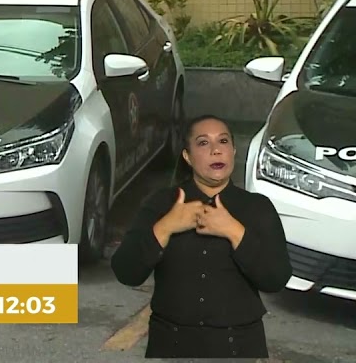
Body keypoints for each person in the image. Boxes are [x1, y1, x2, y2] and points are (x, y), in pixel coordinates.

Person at [110, 114, 291, 358]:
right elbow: (126, 272)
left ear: (233, 151)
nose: (216, 150)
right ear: (187, 156)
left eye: (223, 141)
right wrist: (165, 227)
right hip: (171, 346)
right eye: (203, 143)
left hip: (238, 346)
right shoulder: (162, 203)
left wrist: (233, 231)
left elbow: (276, 279)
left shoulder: (257, 208)